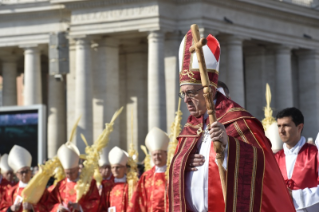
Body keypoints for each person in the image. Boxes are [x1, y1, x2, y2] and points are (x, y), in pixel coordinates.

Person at [168, 30, 295, 211]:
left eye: (191, 93)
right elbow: (174, 171)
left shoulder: (238, 121)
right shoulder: (190, 127)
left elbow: (263, 164)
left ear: (209, 91)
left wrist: (229, 145)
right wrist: (183, 164)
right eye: (183, 94)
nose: (186, 99)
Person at [274, 107, 319, 211]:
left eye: (286, 125)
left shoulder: (315, 154)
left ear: (299, 127)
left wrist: (295, 195)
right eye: (279, 126)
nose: (281, 131)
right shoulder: (274, 159)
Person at [45, 142, 100, 212]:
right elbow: (50, 203)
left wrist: (80, 207)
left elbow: (96, 201)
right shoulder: (60, 185)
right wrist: (58, 208)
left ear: (78, 169)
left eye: (72, 172)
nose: (70, 175)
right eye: (67, 173)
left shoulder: (89, 183)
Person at [128, 127, 169, 212]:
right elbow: (138, 199)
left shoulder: (172, 174)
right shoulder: (146, 176)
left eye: (159, 154)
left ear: (166, 154)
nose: (157, 157)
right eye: (154, 155)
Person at [2, 145, 45, 212]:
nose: (25, 174)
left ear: (31, 172)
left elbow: (48, 207)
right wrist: (11, 209)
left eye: (27, 171)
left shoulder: (39, 189)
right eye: (22, 172)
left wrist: (33, 208)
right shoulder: (11, 192)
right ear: (17, 174)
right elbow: (2, 208)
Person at [99, 146, 129, 212]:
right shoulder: (106, 186)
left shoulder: (131, 185)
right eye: (112, 167)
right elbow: (102, 206)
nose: (114, 170)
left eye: (117, 167)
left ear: (125, 168)